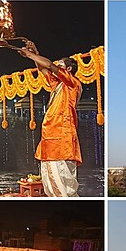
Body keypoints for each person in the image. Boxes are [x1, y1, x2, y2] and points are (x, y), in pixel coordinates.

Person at [19, 43, 82, 197]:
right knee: (49, 179)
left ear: (67, 70)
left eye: (60, 65)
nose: (56, 67)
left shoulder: (72, 83)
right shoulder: (57, 85)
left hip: (62, 138)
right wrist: (35, 52)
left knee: (62, 181)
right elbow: (43, 68)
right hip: (49, 136)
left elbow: (48, 65)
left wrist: (29, 54)